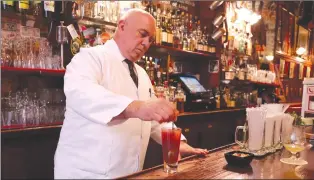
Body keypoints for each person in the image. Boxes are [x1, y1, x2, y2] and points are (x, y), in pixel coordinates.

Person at [54, 8, 208, 179]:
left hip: (129, 173)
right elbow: (83, 94)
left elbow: (153, 119)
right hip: (87, 174)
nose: (146, 43)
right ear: (121, 26)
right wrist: (137, 107)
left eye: (150, 40)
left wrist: (179, 143)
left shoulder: (141, 73)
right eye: (142, 34)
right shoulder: (90, 58)